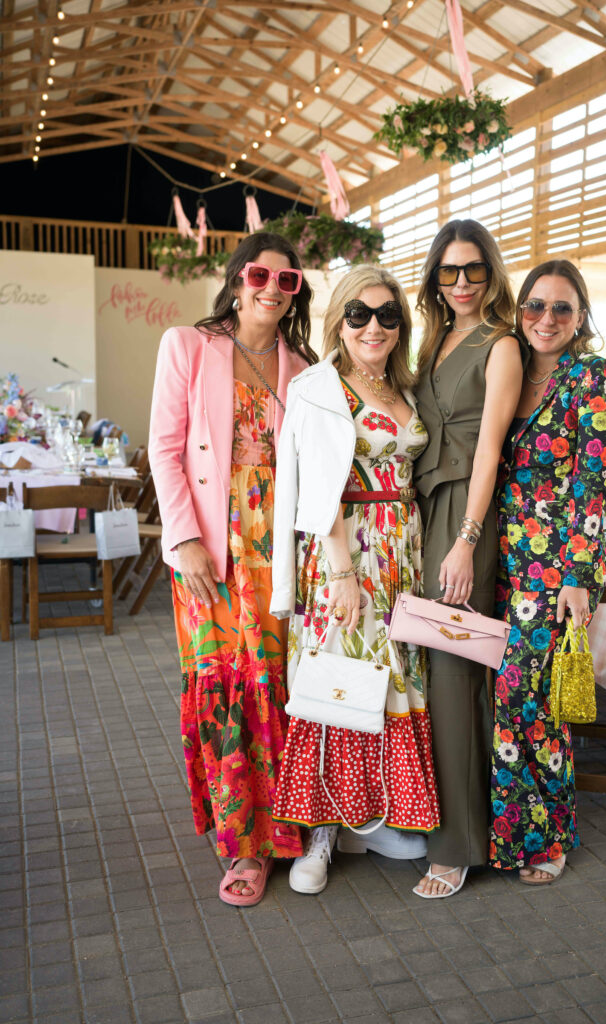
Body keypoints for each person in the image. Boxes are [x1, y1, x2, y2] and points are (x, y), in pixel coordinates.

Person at [148, 232, 315, 906]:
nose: (271, 289)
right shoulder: (188, 346)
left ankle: (281, 830)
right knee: (221, 687)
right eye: (258, 274)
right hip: (210, 553)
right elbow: (164, 449)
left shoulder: (302, 369)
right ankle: (242, 842)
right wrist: (182, 538)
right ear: (235, 278)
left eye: (287, 281)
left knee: (272, 690)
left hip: (279, 551)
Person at [269, 264, 440, 894]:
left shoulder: (405, 388)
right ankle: (321, 832)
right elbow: (319, 485)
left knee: (394, 682)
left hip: (401, 554)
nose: (374, 326)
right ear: (338, 320)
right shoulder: (320, 387)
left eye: (388, 314)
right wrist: (341, 570)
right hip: (348, 554)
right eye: (360, 314)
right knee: (337, 680)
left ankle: (383, 815)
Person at [491, 259, 606, 884]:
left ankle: (545, 838)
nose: (546, 319)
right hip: (505, 561)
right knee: (509, 701)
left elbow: (591, 483)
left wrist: (576, 574)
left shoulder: (594, 375)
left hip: (557, 570)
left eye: (561, 308)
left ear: (581, 315)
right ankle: (513, 832)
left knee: (529, 699)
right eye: (535, 306)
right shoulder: (510, 370)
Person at [411, 219, 524, 898]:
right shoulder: (434, 338)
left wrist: (467, 537)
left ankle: (457, 847)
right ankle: (430, 819)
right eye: (448, 272)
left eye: (473, 270)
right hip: (422, 509)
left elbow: (489, 449)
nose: (460, 283)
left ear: (491, 272)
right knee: (429, 669)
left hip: (462, 517)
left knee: (454, 671)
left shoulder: (500, 343)